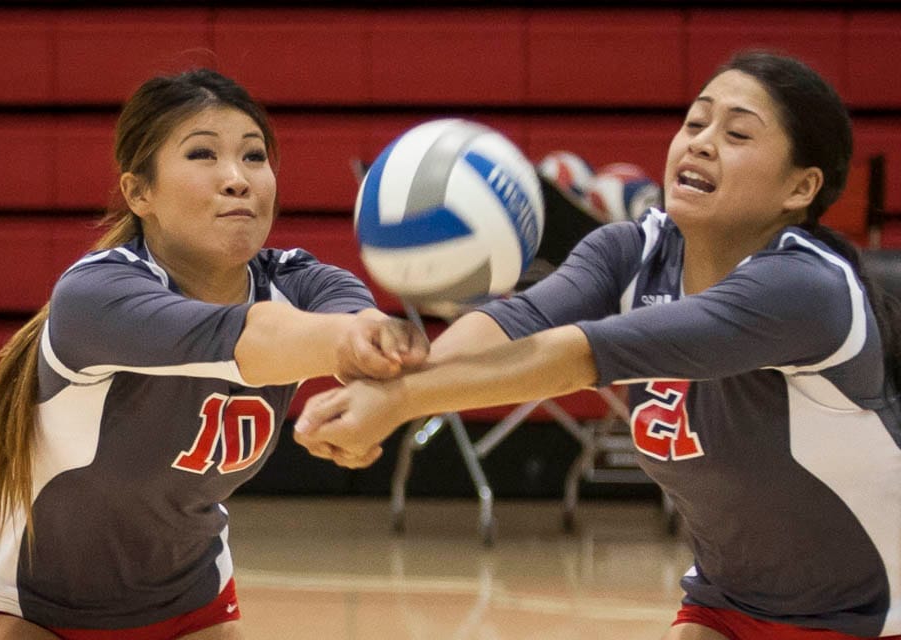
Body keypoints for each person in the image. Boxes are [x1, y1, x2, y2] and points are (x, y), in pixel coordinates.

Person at [294, 50, 901, 640]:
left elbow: (582, 355)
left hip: (867, 616)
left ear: (801, 188)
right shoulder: (630, 250)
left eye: (738, 134)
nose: (701, 141)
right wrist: (380, 387)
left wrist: (400, 405)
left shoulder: (802, 287)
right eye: (695, 122)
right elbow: (520, 321)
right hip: (724, 600)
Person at [0, 68, 427, 639]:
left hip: (189, 603)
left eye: (253, 157)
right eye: (203, 155)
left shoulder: (301, 280)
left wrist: (379, 379)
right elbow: (253, 337)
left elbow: (358, 325)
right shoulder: (96, 295)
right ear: (138, 192)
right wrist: (353, 347)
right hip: (19, 604)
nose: (237, 179)